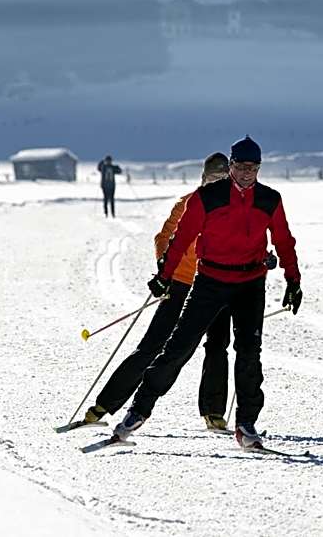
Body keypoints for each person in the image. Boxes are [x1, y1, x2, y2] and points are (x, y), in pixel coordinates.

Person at [113, 136, 303, 450]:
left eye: (252, 168)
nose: (246, 173)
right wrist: (164, 276)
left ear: (259, 168)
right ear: (231, 166)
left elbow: (284, 241)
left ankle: (246, 424)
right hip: (210, 281)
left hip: (250, 284)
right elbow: (181, 238)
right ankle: (138, 411)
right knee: (178, 347)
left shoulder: (270, 199)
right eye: (240, 167)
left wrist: (293, 280)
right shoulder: (207, 197)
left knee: (249, 354)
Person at [82, 153, 235, 431]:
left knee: (217, 348)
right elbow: (163, 238)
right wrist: (165, 268)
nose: (218, 183)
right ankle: (104, 405)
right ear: (203, 179)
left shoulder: (235, 207)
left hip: (218, 285)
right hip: (181, 283)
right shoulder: (189, 203)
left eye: (223, 179)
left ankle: (213, 412)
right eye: (213, 178)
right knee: (154, 345)